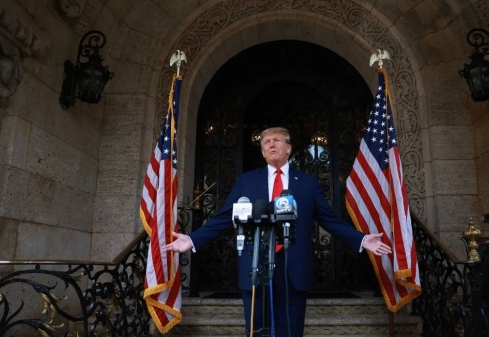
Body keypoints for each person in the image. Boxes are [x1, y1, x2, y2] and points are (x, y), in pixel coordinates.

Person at [163, 126, 392, 337]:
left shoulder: (306, 182)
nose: (271, 145)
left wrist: (361, 239)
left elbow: (329, 219)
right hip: (255, 264)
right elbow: (224, 217)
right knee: (256, 328)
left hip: (292, 267)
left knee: (290, 328)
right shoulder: (247, 181)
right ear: (262, 152)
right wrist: (192, 240)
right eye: (266, 143)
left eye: (277, 140)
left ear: (288, 148)